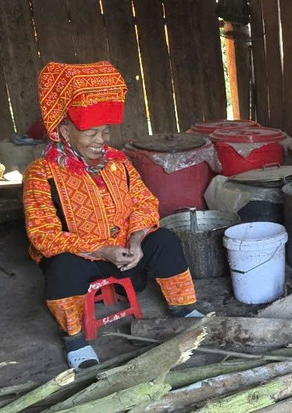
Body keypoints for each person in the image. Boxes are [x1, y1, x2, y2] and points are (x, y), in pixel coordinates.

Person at [23, 61, 204, 370]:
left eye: (105, 131)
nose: (100, 140)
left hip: (126, 258)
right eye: (90, 132)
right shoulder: (43, 173)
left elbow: (144, 203)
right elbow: (42, 234)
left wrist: (136, 241)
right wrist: (100, 250)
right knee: (60, 267)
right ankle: (75, 340)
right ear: (64, 130)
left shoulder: (117, 162)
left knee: (164, 239)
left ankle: (184, 309)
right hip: (81, 262)